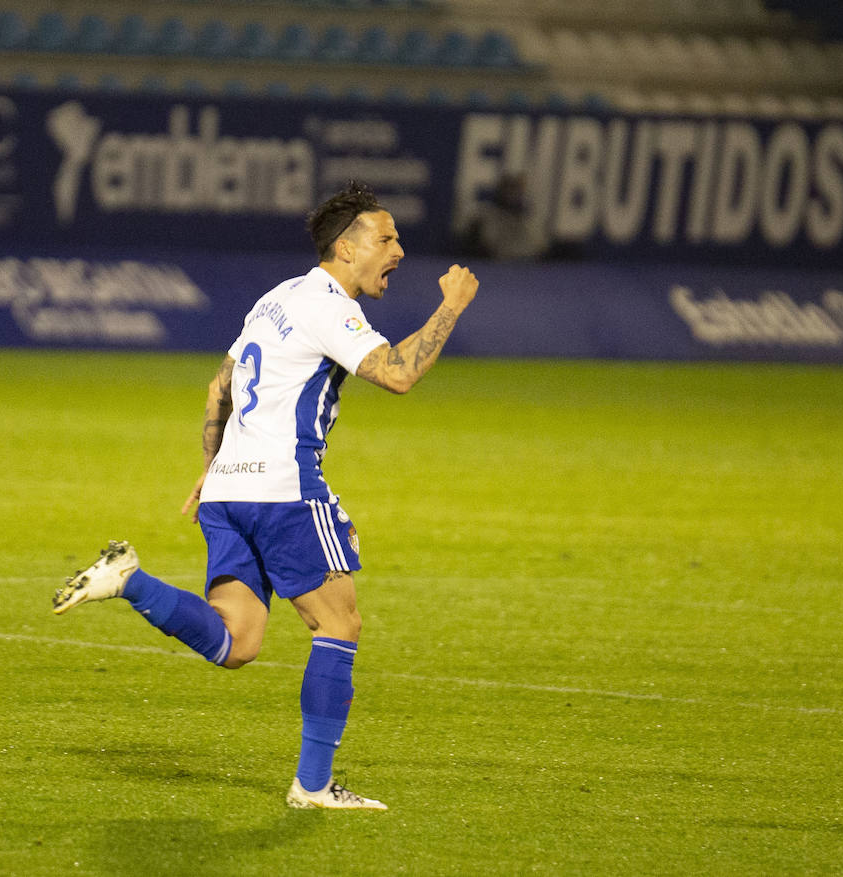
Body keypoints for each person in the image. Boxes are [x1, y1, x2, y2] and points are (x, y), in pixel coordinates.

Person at [52, 181, 478, 809]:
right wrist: (453, 305)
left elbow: (219, 386)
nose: (399, 250)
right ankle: (312, 786)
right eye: (386, 238)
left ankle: (129, 580)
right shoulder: (330, 306)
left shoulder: (278, 297)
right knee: (339, 623)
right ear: (346, 246)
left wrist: (211, 467)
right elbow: (398, 373)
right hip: (285, 489)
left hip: (229, 492)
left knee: (237, 641)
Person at [461, 171, 550, 261]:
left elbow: (541, 246)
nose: (512, 194)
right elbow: (487, 244)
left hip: (530, 267)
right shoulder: (487, 215)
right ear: (501, 190)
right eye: (509, 188)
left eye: (516, 189)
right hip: (496, 266)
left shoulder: (531, 218)